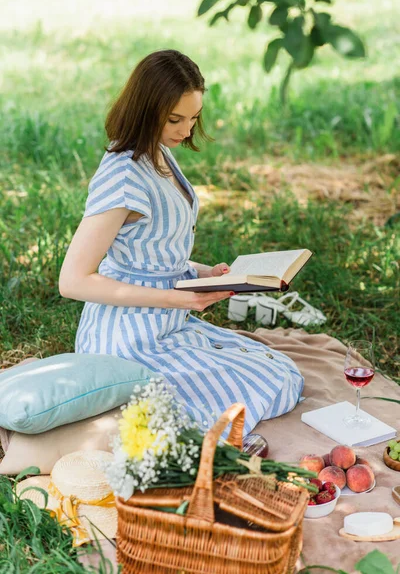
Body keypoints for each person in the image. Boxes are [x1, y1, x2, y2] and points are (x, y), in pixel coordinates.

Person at [59, 49, 304, 435]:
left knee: (278, 370)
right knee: (259, 388)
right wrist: (179, 297)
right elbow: (72, 281)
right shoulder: (123, 176)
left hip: (167, 322)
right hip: (128, 337)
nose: (187, 130)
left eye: (193, 117)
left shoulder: (158, 152)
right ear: (145, 109)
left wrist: (210, 275)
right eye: (175, 119)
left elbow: (153, 249)